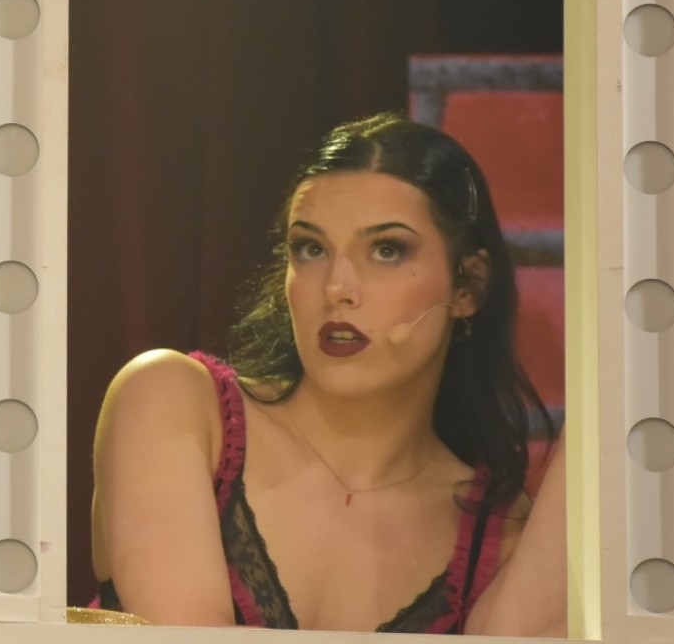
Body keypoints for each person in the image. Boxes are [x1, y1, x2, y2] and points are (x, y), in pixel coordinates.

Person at [91, 112, 567, 635]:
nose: (337, 287)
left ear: (468, 287)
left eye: (387, 250)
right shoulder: (172, 401)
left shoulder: (499, 539)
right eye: (311, 249)